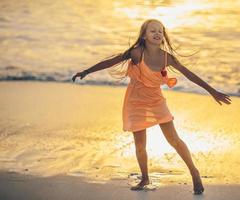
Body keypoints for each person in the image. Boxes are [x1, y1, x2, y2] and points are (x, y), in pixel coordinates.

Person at [72, 19, 231, 195]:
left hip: (156, 101)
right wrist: (86, 71)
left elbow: (190, 75)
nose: (157, 34)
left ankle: (194, 172)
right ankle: (145, 178)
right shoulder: (136, 53)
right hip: (135, 102)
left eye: (160, 31)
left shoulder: (166, 57)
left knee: (174, 140)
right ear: (144, 35)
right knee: (140, 145)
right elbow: (110, 62)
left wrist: (212, 91)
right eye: (152, 31)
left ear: (163, 36)